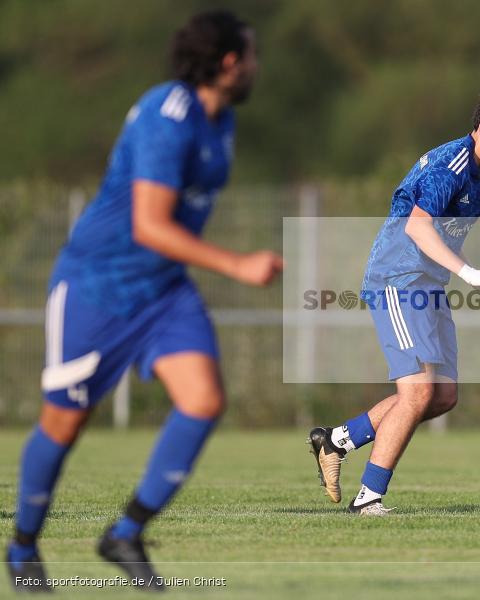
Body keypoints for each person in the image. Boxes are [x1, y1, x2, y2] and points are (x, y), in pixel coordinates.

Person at [5, 10, 282, 592]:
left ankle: (125, 534)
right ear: (229, 62)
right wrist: (237, 264)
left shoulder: (221, 120)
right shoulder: (168, 115)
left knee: (204, 401)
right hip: (97, 287)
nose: (258, 65)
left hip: (163, 292)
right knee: (65, 423)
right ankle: (22, 549)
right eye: (252, 55)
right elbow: (150, 225)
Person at [308, 87, 480, 515]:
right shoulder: (452, 166)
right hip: (398, 279)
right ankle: (368, 499)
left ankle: (337, 441)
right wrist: (468, 274)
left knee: (442, 396)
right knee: (416, 394)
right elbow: (417, 229)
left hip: (429, 285)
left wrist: (474, 273)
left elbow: (443, 238)